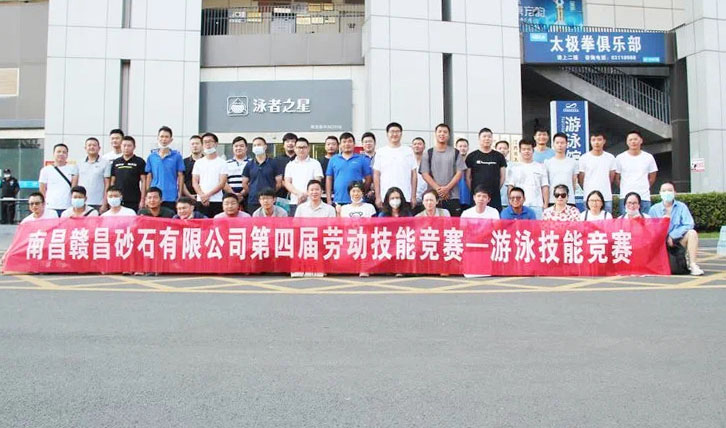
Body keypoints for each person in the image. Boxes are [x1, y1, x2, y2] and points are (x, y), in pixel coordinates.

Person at [649, 182, 703, 275]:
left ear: (675, 192)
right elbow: (651, 229)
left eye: (670, 190)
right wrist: (665, 235)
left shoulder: (681, 207)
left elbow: (689, 224)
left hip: (677, 240)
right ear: (660, 193)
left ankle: (693, 264)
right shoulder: (654, 209)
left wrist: (673, 235)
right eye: (664, 191)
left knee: (692, 233)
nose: (667, 193)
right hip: (661, 243)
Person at [420, 124, 466, 217]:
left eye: (445, 132)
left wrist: (447, 188)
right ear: (435, 134)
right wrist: (438, 189)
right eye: (440, 131)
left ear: (449, 135)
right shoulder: (428, 153)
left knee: (453, 224)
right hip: (433, 197)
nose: (442, 134)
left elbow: (459, 172)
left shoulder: (455, 152)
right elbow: (425, 174)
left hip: (452, 196)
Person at [373, 123, 418, 210]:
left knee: (405, 218)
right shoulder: (380, 152)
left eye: (397, 131)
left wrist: (413, 196)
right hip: (385, 196)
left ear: (401, 134)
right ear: (387, 134)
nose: (394, 134)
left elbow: (414, 175)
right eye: (392, 131)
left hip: (406, 196)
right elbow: (376, 175)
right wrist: (378, 196)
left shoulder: (409, 151)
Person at [615, 130, 658, 213]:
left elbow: (652, 177)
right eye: (630, 140)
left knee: (645, 220)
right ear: (627, 142)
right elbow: (617, 179)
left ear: (641, 140)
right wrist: (625, 187)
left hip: (644, 197)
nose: (633, 142)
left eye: (635, 139)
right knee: (626, 220)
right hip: (625, 197)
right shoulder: (620, 158)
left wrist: (644, 186)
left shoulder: (648, 157)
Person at [466, 128, 507, 212]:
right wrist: (475, 191)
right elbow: (468, 177)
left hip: (494, 195)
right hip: (478, 196)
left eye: (489, 137)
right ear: (479, 139)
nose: (487, 139)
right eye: (484, 136)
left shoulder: (499, 156)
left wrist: (496, 189)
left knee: (494, 216)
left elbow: (502, 177)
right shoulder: (471, 156)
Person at [326, 132, 372, 207]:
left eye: (350, 141)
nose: (347, 144)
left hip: (357, 201)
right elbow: (329, 179)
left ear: (354, 144)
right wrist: (329, 199)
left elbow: (368, 178)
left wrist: (362, 191)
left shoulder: (362, 159)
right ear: (340, 145)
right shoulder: (333, 159)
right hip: (339, 200)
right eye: (344, 142)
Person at [145, 126, 185, 211]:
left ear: (171, 139)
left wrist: (180, 194)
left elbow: (180, 176)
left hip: (171, 195)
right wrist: (147, 194)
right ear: (158, 138)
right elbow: (149, 176)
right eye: (162, 136)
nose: (164, 139)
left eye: (166, 137)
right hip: (154, 195)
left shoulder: (177, 156)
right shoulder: (152, 157)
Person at [506, 139, 549, 219]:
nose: (526, 151)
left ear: (533, 150)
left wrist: (545, 204)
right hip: (518, 205)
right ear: (520, 151)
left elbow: (545, 186)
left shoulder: (541, 167)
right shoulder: (514, 168)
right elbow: (510, 187)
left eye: (529, 149)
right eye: (524, 149)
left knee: (536, 226)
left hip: (537, 205)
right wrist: (510, 202)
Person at [242, 137, 283, 215]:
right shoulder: (249, 164)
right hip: (253, 201)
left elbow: (278, 183)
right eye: (254, 145)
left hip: (270, 201)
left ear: (265, 147)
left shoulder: (274, 163)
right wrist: (252, 192)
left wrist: (270, 193)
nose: (256, 147)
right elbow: (244, 183)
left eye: (259, 145)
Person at [579, 131, 616, 213]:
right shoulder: (584, 158)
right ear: (590, 141)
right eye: (593, 140)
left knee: (606, 220)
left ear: (604, 141)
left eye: (599, 139)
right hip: (589, 197)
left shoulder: (610, 158)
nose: (596, 142)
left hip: (606, 197)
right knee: (589, 220)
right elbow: (581, 179)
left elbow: (611, 177)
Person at [284, 137, 323, 216]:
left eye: (304, 147)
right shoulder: (290, 165)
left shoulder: (315, 163)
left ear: (308, 148)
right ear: (295, 149)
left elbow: (317, 182)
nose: (301, 150)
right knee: (295, 223)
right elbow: (287, 183)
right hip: (295, 202)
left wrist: (306, 194)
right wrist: (299, 194)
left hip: (312, 202)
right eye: (299, 147)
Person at [192, 132, 227, 218]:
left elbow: (222, 183)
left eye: (210, 141)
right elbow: (195, 182)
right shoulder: (198, 162)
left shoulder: (222, 162)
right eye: (205, 142)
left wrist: (208, 195)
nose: (207, 144)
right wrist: (202, 195)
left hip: (217, 200)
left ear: (216, 143)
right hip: (201, 200)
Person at [39, 143, 79, 216]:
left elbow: (74, 188)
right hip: (50, 207)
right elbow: (42, 190)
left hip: (67, 207)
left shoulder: (73, 169)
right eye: (58, 151)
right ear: (53, 154)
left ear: (67, 155)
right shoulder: (45, 170)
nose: (61, 154)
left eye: (64, 152)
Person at [110, 135, 146, 212]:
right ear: (121, 146)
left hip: (134, 199)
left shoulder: (140, 161)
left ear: (134, 147)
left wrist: (143, 199)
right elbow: (112, 181)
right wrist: (111, 198)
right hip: (117, 199)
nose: (126, 148)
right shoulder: (116, 162)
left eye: (129, 146)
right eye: (124, 145)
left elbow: (144, 181)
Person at [77, 137, 111, 211]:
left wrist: (105, 203)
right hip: (81, 202)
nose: (92, 147)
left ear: (99, 148)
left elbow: (107, 184)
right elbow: (75, 183)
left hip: (98, 203)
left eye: (94, 145)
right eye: (89, 145)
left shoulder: (105, 163)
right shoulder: (79, 163)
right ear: (85, 148)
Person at [544, 133, 578, 207]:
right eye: (557, 143)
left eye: (562, 143)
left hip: (569, 200)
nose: (560, 145)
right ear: (553, 144)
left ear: (567, 144)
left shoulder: (573, 162)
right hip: (552, 200)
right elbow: (546, 184)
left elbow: (574, 182)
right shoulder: (548, 163)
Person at [275, 132, 297, 199]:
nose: (290, 143)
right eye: (287, 141)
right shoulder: (276, 160)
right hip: (280, 195)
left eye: (293, 141)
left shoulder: (300, 159)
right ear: (283, 145)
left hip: (297, 192)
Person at [182, 135, 203, 200]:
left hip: (204, 197)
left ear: (202, 145)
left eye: (197, 143)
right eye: (192, 144)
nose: (195, 146)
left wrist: (202, 195)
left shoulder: (207, 162)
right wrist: (189, 195)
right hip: (187, 197)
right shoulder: (183, 162)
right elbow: (181, 181)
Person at [411, 137, 428, 210]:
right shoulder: (408, 162)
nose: (417, 146)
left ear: (424, 146)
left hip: (425, 199)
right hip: (411, 199)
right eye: (415, 144)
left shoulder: (428, 162)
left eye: (419, 144)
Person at [455, 138, 472, 209]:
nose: (462, 148)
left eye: (465, 146)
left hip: (469, 196)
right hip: (456, 196)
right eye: (460, 146)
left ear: (468, 148)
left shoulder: (472, 162)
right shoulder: (452, 162)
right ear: (456, 148)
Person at [361, 131, 377, 203]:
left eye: (370, 141)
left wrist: (373, 190)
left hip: (378, 192)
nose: (368, 144)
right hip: (363, 193)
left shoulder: (380, 157)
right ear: (362, 144)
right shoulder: (358, 159)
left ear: (375, 143)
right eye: (366, 142)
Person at [494, 140, 510, 209]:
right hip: (494, 199)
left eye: (505, 148)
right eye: (500, 148)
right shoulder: (492, 164)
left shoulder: (513, 166)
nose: (502, 150)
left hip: (508, 200)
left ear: (508, 151)